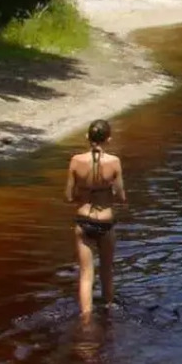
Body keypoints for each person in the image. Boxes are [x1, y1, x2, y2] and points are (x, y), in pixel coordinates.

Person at [65, 119, 126, 320]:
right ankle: (109, 312)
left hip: (83, 220)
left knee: (85, 275)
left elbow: (68, 196)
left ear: (87, 137)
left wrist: (84, 195)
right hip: (105, 222)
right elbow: (121, 196)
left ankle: (86, 319)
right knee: (107, 271)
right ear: (108, 139)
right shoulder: (114, 162)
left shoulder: (75, 161)